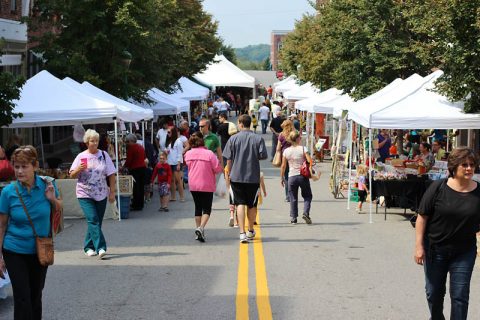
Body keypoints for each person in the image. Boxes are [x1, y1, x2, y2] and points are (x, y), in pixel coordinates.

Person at [414, 147, 480, 320]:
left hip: (464, 252)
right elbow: (422, 217)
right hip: (435, 249)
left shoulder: (478, 192)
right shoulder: (438, 187)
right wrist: (419, 246)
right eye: (464, 164)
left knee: (460, 296)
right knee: (434, 293)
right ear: (454, 167)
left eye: (472, 165)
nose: (469, 168)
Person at [0, 146, 62, 320]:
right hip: (14, 250)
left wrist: (52, 199)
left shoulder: (48, 185)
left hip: (40, 250)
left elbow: (59, 208)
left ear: (35, 166)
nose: (19, 171)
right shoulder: (8, 192)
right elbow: (1, 225)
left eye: (24, 166)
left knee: (36, 295)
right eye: (16, 166)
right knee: (22, 297)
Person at [70, 129, 116, 258]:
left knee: (96, 222)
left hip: (101, 192)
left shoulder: (104, 155)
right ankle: (101, 247)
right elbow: (72, 175)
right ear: (86, 142)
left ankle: (88, 247)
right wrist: (78, 169)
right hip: (84, 192)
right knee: (93, 219)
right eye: (92, 141)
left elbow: (111, 174)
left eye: (96, 141)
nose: (95, 143)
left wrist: (112, 192)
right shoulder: (81, 156)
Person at [223, 115, 268, 243]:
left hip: (236, 176)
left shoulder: (233, 139)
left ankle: (242, 232)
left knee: (240, 204)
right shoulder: (258, 138)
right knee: (252, 204)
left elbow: (228, 159)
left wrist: (229, 174)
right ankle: (250, 230)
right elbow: (263, 155)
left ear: (241, 124)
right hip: (252, 176)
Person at [184, 132, 223, 242]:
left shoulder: (188, 154)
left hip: (193, 184)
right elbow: (217, 169)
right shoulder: (209, 154)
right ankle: (201, 228)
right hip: (206, 184)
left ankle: (198, 231)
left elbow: (187, 165)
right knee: (206, 209)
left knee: (198, 207)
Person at [280, 131, 313, 224]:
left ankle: (293, 218)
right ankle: (306, 213)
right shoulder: (303, 149)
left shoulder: (286, 151)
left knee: (293, 197)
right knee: (307, 196)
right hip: (303, 176)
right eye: (300, 137)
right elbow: (310, 161)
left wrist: (282, 177)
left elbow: (283, 166)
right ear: (298, 139)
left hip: (291, 177)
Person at [123, 133, 146, 211]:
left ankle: (136, 205)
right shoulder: (141, 147)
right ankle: (141, 204)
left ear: (131, 141)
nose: (127, 143)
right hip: (142, 168)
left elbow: (129, 160)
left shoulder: (131, 148)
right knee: (141, 187)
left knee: (136, 188)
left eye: (127, 141)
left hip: (135, 169)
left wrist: (124, 166)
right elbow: (144, 157)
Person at [276, 119, 296, 202]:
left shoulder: (281, 135)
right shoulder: (295, 134)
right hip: (294, 155)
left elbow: (278, 148)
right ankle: (293, 195)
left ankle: (288, 196)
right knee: (294, 174)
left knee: (286, 176)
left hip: (285, 155)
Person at [165, 127, 185, 202]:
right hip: (170, 162)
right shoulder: (169, 141)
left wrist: (179, 164)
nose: (168, 134)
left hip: (176, 163)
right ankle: (173, 196)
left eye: (169, 132)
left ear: (173, 132)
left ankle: (182, 196)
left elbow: (180, 153)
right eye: (167, 132)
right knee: (172, 180)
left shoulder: (178, 141)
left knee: (178, 180)